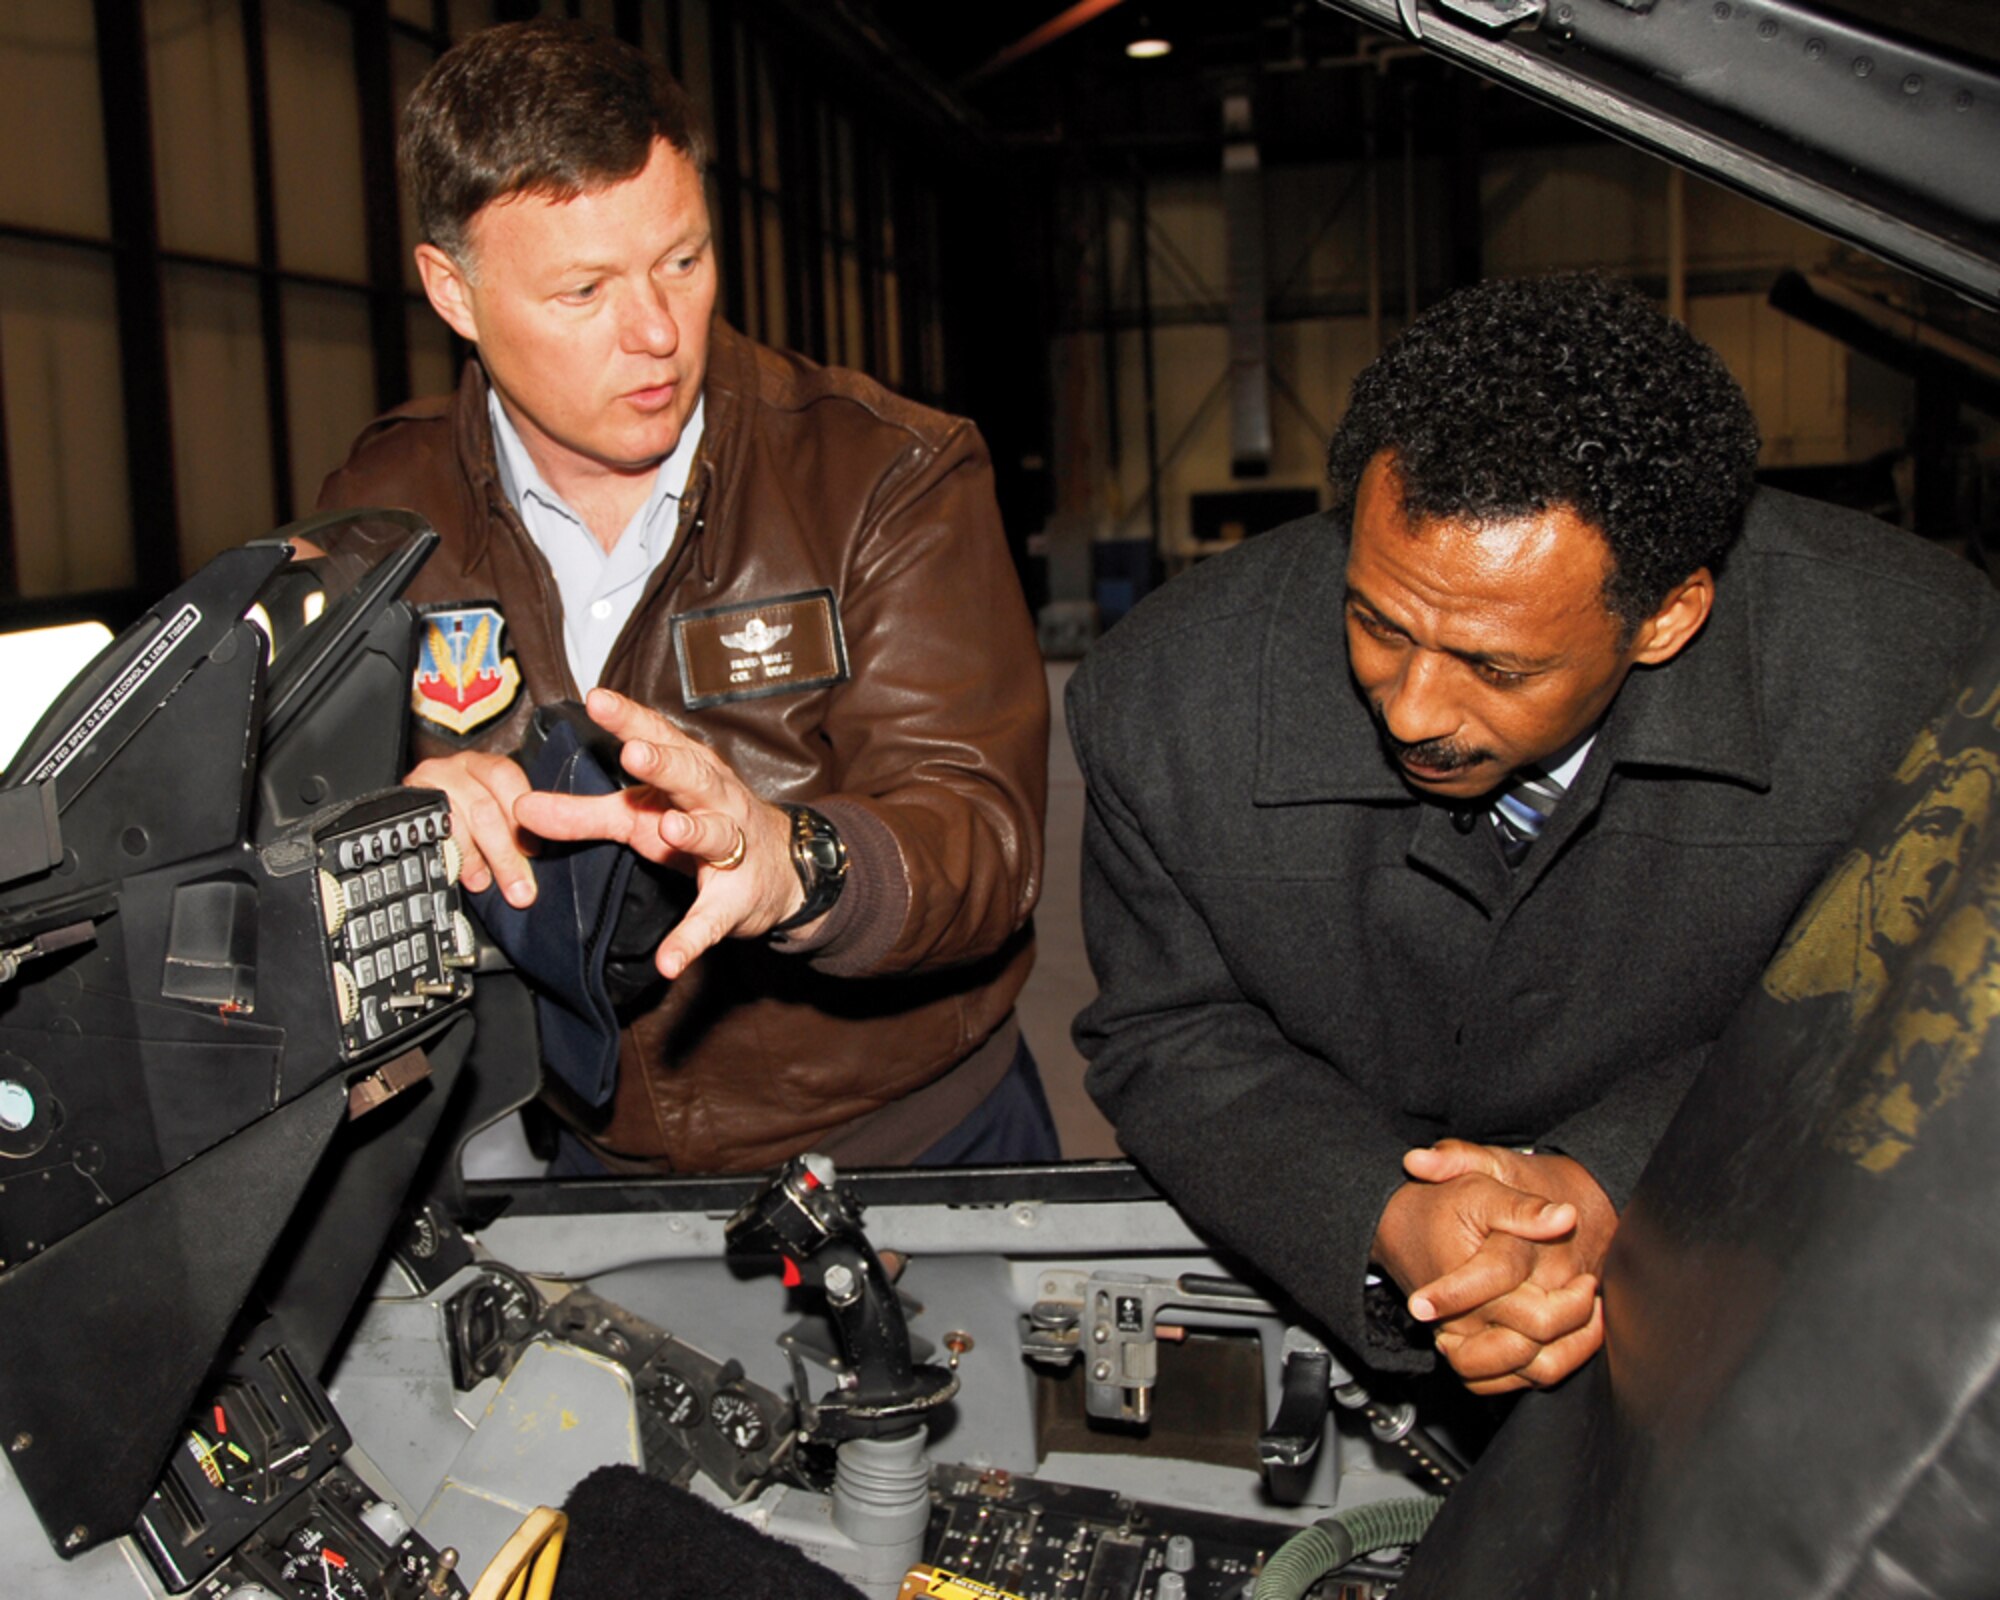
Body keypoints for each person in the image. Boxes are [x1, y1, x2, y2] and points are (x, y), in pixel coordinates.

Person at [1066, 273, 1999, 1395]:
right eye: (1375, 620)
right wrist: (1381, 1210)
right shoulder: (1161, 700)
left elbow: (1905, 1000)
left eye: (1495, 668)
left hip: (1769, 1326)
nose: (1408, 708)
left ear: (1666, 617)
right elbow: (1169, 1028)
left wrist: (1608, 1180)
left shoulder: (1918, 681)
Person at [313, 19, 1053, 1173]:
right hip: (575, 1150)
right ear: (452, 292)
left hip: (909, 1145)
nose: (656, 331)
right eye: (582, 290)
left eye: (683, 260)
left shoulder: (884, 475)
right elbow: (282, 813)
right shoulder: (381, 505)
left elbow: (981, 834)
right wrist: (394, 811)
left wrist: (796, 861)